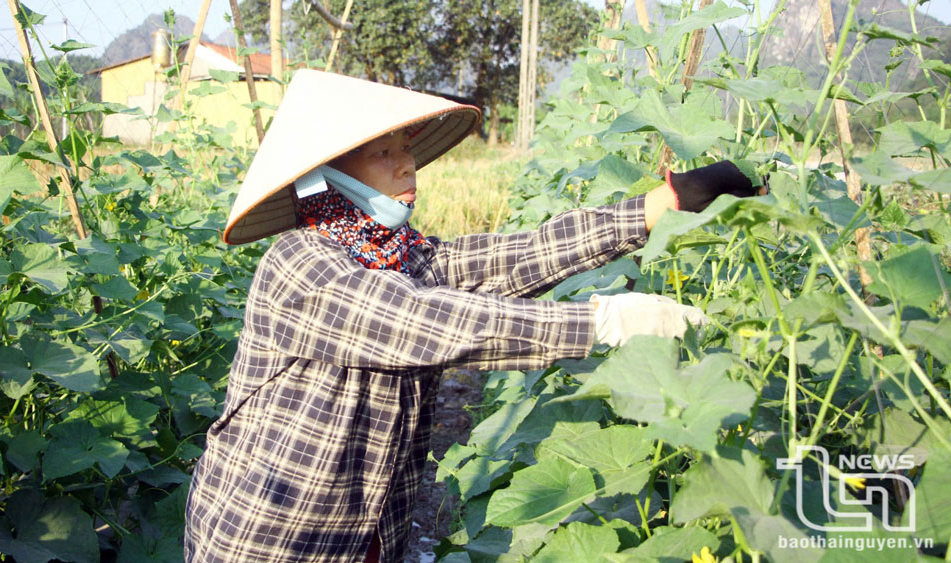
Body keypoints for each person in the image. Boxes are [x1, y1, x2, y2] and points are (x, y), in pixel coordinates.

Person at [184, 69, 763, 563]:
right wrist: (602, 321)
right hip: (274, 534)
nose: (407, 165)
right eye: (382, 153)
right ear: (324, 174)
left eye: (406, 147)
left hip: (370, 531)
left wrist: (662, 205)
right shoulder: (300, 264)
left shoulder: (399, 256)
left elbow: (514, 255)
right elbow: (420, 321)